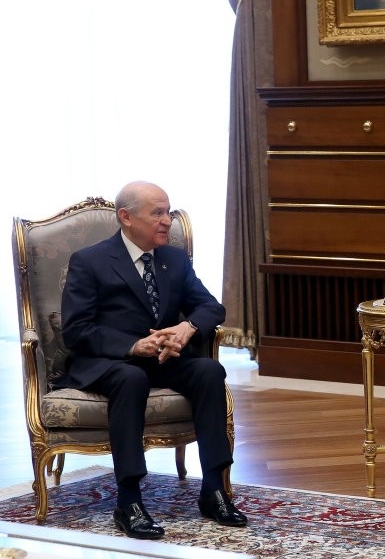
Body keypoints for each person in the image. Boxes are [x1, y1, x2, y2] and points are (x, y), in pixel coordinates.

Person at [59, 181, 247, 539]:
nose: (166, 221)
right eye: (157, 213)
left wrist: (187, 328)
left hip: (164, 359)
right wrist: (133, 346)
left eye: (168, 212)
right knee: (132, 379)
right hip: (111, 362)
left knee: (208, 370)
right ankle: (128, 500)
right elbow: (77, 330)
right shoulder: (90, 261)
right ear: (126, 217)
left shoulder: (173, 259)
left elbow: (212, 307)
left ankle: (214, 489)